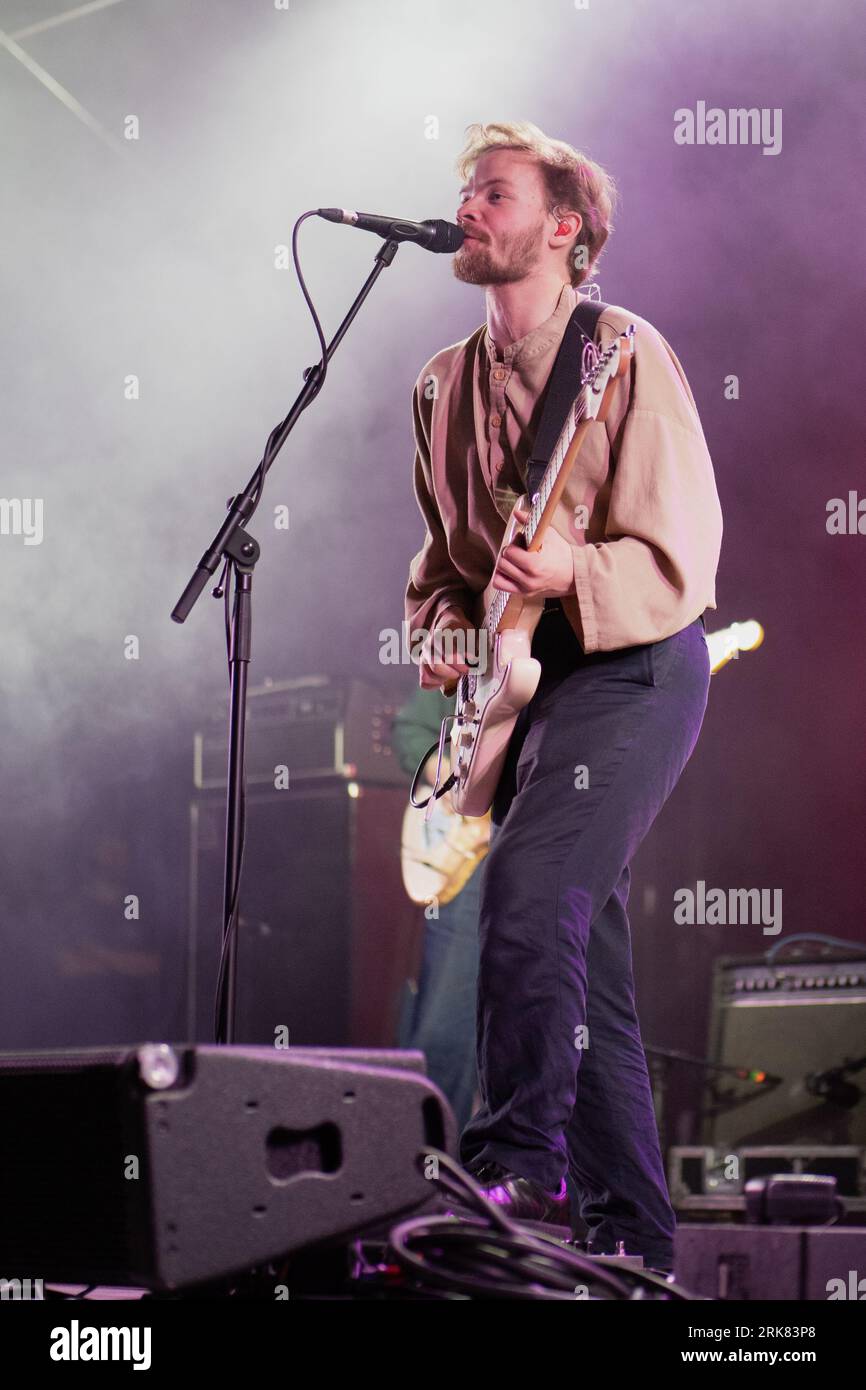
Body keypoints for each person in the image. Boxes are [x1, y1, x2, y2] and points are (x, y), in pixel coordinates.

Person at [403, 121, 722, 1273]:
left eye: (495, 193)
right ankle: (630, 1239)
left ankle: (512, 1162)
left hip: (632, 668)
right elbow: (440, 569)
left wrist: (570, 573)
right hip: (525, 689)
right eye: (467, 193)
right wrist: (441, 635)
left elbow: (684, 548)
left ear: (564, 227)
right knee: (585, 958)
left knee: (534, 888)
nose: (470, 209)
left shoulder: (622, 353)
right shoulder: (440, 385)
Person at [391, 685, 483, 1132]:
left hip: (528, 853)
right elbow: (410, 728)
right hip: (466, 866)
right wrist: (447, 773)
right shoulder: (478, 653)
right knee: (442, 1024)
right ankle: (430, 1173)